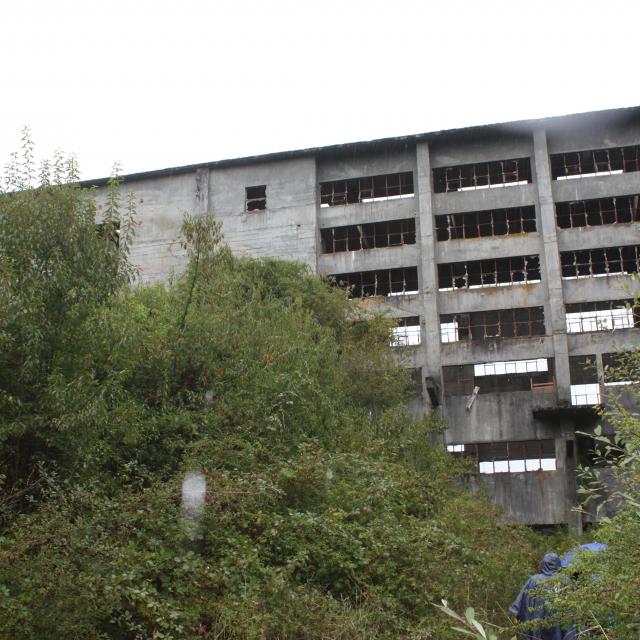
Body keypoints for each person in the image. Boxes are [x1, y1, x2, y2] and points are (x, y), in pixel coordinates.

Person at [510, 552, 569, 640]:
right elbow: (573, 611)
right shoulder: (565, 581)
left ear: (543, 564)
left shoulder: (533, 580)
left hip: (535, 632)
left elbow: (516, 608)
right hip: (558, 632)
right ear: (558, 565)